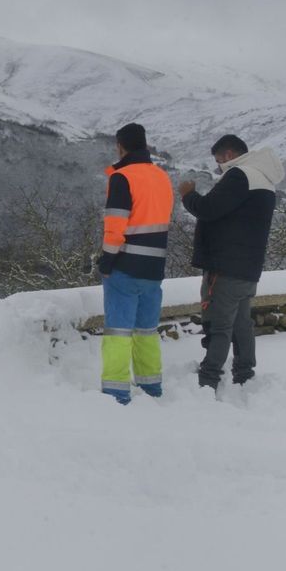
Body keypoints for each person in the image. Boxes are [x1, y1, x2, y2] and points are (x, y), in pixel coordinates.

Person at [178, 134, 286, 390]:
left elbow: (208, 209)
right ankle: (244, 374)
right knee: (241, 325)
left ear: (228, 155)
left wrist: (188, 195)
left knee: (219, 323)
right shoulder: (264, 179)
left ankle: (209, 378)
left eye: (218, 162)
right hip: (248, 267)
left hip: (225, 266)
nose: (218, 168)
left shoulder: (240, 175)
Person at [97, 122, 174, 404]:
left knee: (118, 331)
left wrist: (106, 261)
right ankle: (151, 388)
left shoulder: (122, 177)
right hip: (154, 268)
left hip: (125, 266)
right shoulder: (162, 177)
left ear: (121, 146)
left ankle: (117, 393)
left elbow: (115, 227)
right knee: (147, 331)